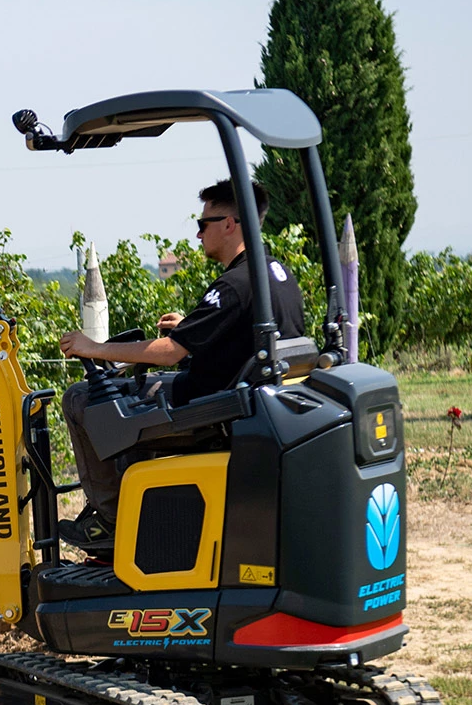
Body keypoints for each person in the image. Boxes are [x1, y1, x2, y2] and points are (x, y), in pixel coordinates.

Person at [52, 178, 305, 554]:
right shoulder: (276, 275)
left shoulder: (234, 284)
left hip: (208, 407)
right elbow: (241, 336)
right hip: (244, 400)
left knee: (79, 399)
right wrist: (191, 329)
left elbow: (170, 352)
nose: (198, 234)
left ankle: (110, 522)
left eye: (204, 224)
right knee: (130, 407)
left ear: (230, 224)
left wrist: (97, 347)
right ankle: (151, 523)